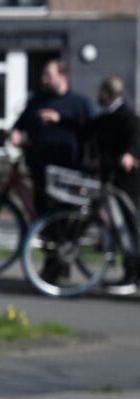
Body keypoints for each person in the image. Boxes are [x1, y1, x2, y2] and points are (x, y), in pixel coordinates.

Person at [11, 60, 95, 282]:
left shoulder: (79, 103)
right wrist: (16, 133)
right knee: (44, 223)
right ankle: (51, 267)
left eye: (48, 74)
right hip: (40, 170)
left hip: (68, 171)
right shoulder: (37, 101)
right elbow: (20, 122)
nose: (43, 79)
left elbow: (92, 131)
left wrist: (61, 120)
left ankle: (61, 268)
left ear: (62, 76)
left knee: (63, 221)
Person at [88, 76, 140, 292]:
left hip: (126, 181)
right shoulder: (106, 117)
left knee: (128, 227)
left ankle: (133, 276)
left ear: (108, 93)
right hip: (113, 178)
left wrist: (129, 154)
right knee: (121, 229)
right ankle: (129, 274)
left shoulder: (126, 117)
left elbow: (136, 138)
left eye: (101, 91)